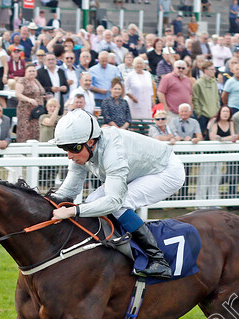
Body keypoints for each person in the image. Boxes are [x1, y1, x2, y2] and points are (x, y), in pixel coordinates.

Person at [50, 109, 186, 279]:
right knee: (92, 200)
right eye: (64, 149)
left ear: (91, 142)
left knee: (121, 203)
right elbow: (69, 191)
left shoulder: (113, 151)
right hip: (138, 171)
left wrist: (73, 211)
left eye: (73, 148)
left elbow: (114, 201)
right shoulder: (82, 149)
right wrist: (47, 204)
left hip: (166, 171)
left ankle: (158, 260)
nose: (69, 155)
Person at [15, 64, 44, 142]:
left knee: (36, 130)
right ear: (25, 72)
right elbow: (18, 94)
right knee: (26, 130)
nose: (32, 73)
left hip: (36, 111)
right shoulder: (22, 80)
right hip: (26, 110)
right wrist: (29, 99)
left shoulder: (36, 81)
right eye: (30, 71)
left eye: (33, 71)